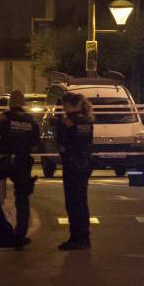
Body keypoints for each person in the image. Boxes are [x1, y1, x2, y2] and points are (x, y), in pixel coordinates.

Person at [0, 90, 40, 249]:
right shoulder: (31, 120)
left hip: (6, 160)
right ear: (23, 102)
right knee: (22, 199)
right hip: (23, 162)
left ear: (10, 102)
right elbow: (35, 144)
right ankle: (20, 237)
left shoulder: (4, 117)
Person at [57, 93, 94, 250]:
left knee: (72, 203)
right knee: (82, 202)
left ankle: (76, 238)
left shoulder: (67, 122)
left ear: (68, 104)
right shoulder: (87, 121)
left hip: (72, 165)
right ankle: (84, 237)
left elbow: (62, 144)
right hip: (85, 164)